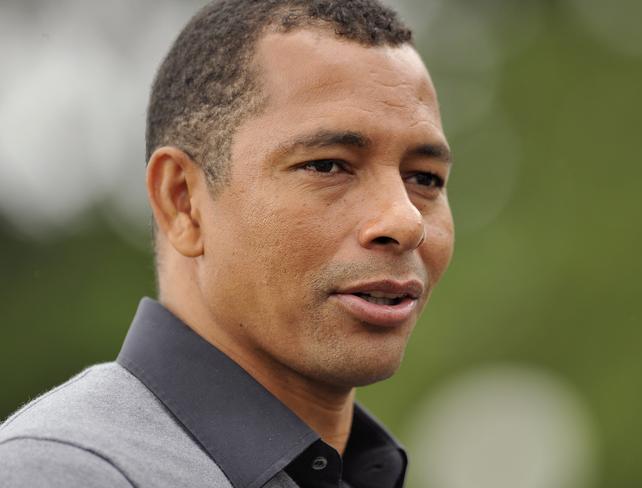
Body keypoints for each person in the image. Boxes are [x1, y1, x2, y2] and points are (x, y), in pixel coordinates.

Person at [0, 0, 454, 486]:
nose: (405, 220)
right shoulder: (65, 471)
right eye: (327, 165)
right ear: (183, 203)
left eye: (424, 178)